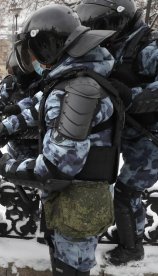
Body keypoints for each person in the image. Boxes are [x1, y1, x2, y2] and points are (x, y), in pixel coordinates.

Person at [0, 5, 120, 275]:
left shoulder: (77, 88)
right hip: (78, 201)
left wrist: (9, 167)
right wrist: (3, 127)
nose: (33, 61)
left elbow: (58, 167)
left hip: (76, 204)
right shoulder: (77, 78)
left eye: (34, 52)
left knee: (70, 269)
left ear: (50, 46)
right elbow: (40, 108)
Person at [76, 0, 158, 265]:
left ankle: (132, 248)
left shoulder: (147, 48)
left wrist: (130, 96)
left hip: (149, 135)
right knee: (109, 185)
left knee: (126, 191)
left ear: (119, 21)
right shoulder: (114, 45)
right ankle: (126, 230)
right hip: (124, 131)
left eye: (101, 24)